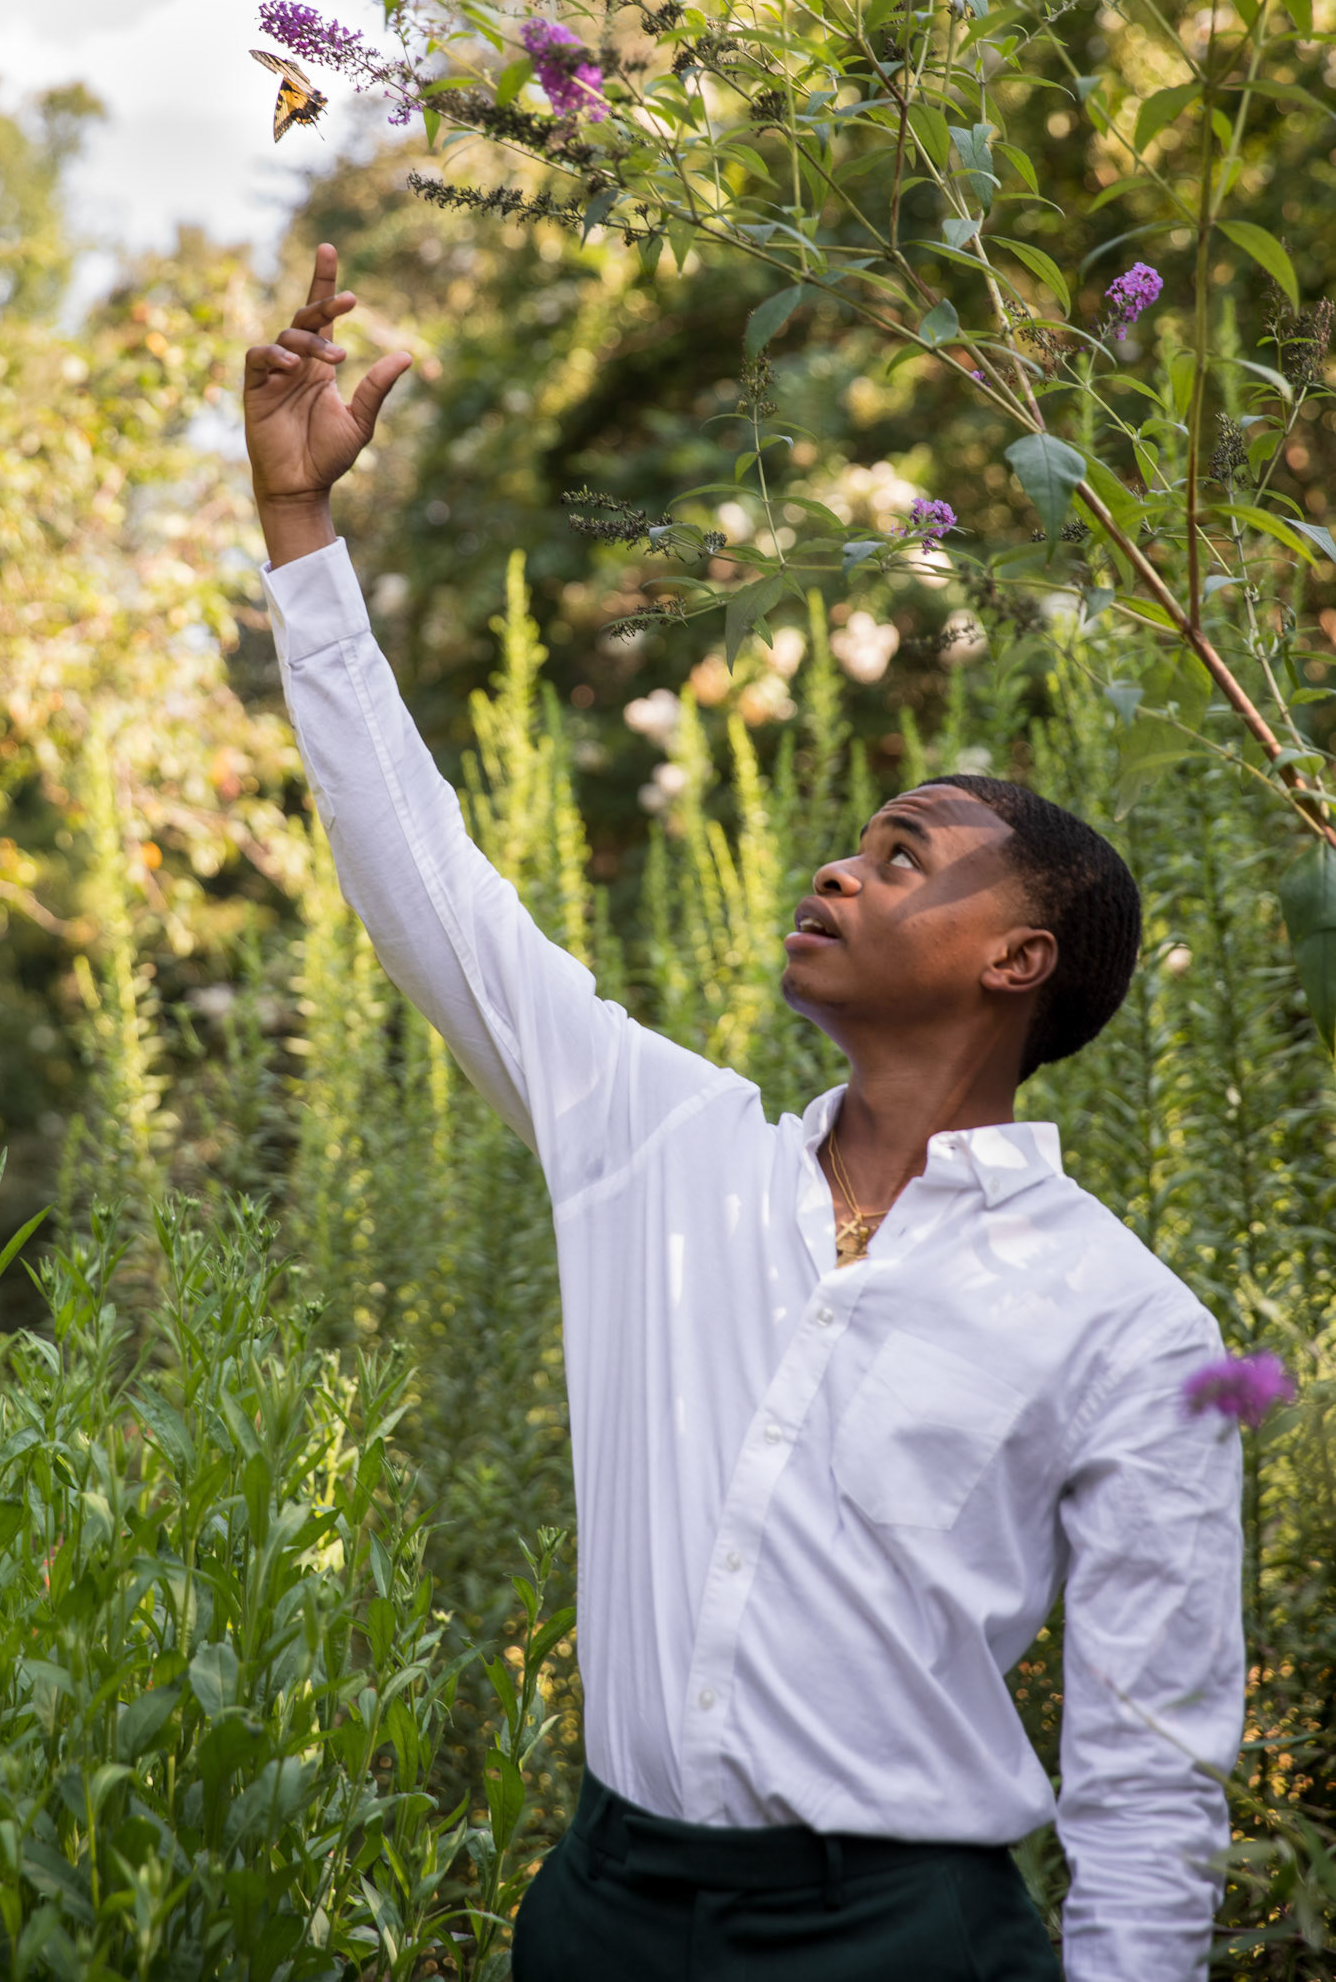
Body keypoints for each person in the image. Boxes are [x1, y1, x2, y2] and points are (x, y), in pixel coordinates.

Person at [244, 244, 1244, 1982]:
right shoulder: (663, 1150)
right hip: (606, 1916)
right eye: (852, 837)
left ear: (1019, 956)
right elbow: (430, 886)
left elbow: (1152, 1767)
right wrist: (299, 533)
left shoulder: (1125, 1323)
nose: (838, 865)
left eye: (902, 855)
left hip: (908, 1939)